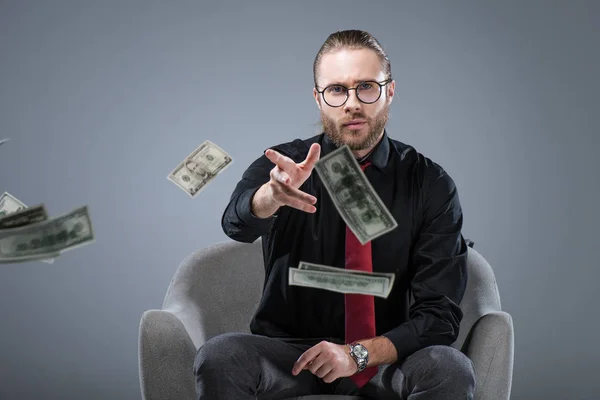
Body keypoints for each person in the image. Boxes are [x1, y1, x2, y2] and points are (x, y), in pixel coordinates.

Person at [194, 29, 476, 399]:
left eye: (367, 87)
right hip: (289, 354)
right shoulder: (284, 164)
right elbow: (236, 224)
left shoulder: (430, 183)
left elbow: (439, 317)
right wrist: (269, 197)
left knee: (448, 368)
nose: (352, 103)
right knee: (222, 355)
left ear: (390, 91)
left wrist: (357, 355)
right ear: (318, 98)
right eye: (337, 89)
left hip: (387, 357)